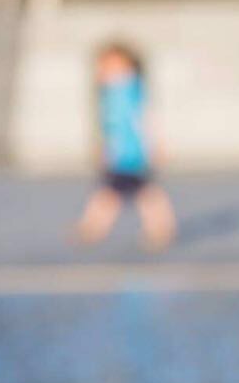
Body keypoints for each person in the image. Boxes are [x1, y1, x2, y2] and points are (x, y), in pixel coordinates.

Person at [70, 42, 177, 250]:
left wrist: (155, 144)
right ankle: (95, 227)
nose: (105, 71)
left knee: (132, 192)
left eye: (111, 66)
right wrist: (105, 149)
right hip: (119, 154)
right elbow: (110, 128)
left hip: (132, 153)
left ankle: (159, 228)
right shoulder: (110, 93)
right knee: (126, 192)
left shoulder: (131, 90)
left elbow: (145, 119)